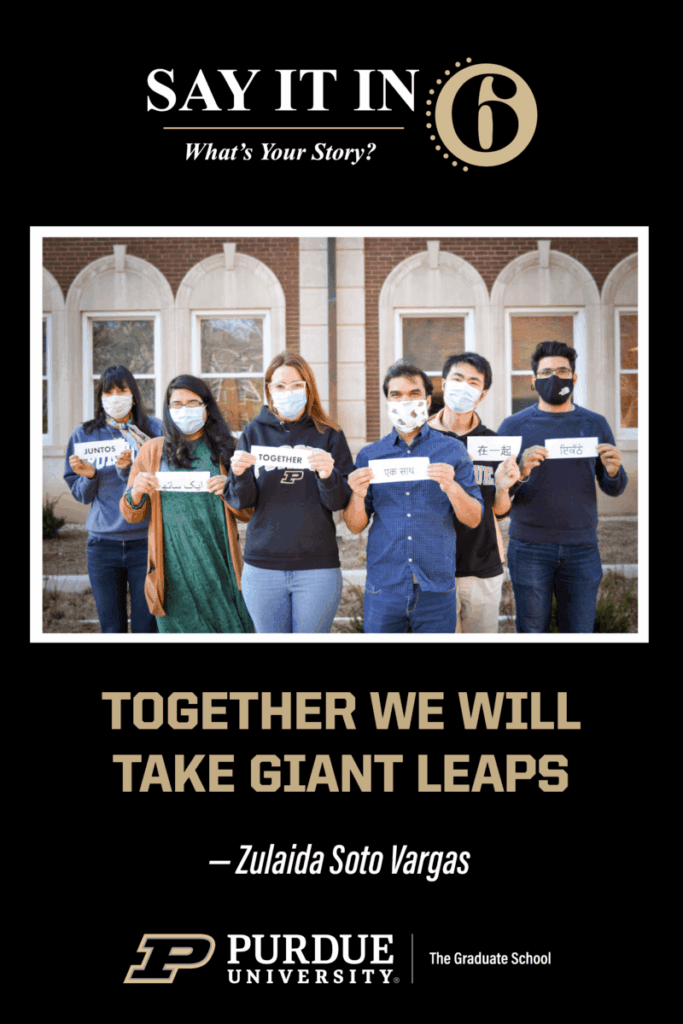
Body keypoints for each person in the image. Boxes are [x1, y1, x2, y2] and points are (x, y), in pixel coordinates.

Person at [344, 359, 484, 633]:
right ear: (388, 402)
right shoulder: (369, 455)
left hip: (436, 587)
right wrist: (357, 495)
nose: (404, 401)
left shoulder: (453, 451)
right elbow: (354, 525)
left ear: (428, 400)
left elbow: (474, 518)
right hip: (384, 586)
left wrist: (453, 488)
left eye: (414, 394)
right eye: (396, 395)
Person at [497, 340, 628, 633]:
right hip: (529, 546)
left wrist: (613, 471)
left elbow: (613, 487)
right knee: (531, 630)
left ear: (574, 378)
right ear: (533, 381)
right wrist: (520, 471)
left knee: (580, 630)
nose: (553, 378)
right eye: (545, 373)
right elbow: (499, 493)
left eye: (562, 370)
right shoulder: (513, 426)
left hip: (582, 546)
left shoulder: (594, 423)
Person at [226, 352, 354, 633]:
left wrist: (327, 475)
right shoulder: (252, 432)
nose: (288, 392)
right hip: (262, 567)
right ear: (269, 389)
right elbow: (242, 502)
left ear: (308, 387)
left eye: (297, 385)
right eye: (280, 386)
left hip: (317, 567)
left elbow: (340, 502)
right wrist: (239, 474)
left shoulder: (329, 434)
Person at [120, 374, 254, 634]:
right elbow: (130, 514)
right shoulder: (152, 451)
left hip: (220, 568)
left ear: (206, 407)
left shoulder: (228, 449)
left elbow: (247, 512)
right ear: (168, 410)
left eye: (193, 403)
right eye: (177, 404)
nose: (184, 410)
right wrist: (136, 493)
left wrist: (231, 490)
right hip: (171, 576)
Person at [64, 365, 163, 633]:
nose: (115, 396)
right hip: (102, 545)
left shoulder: (154, 430)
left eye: (122, 390)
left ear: (134, 394)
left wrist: (132, 468)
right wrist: (90, 475)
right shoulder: (83, 434)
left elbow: (164, 484)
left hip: (145, 542)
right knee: (111, 627)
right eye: (108, 391)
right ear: (100, 396)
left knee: (147, 627)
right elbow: (82, 495)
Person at [428, 352, 521, 633]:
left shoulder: (494, 444)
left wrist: (503, 488)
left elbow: (500, 511)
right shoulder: (419, 439)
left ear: (482, 394)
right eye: (457, 378)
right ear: (443, 384)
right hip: (432, 569)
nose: (464, 386)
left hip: (481, 565)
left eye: (473, 382)